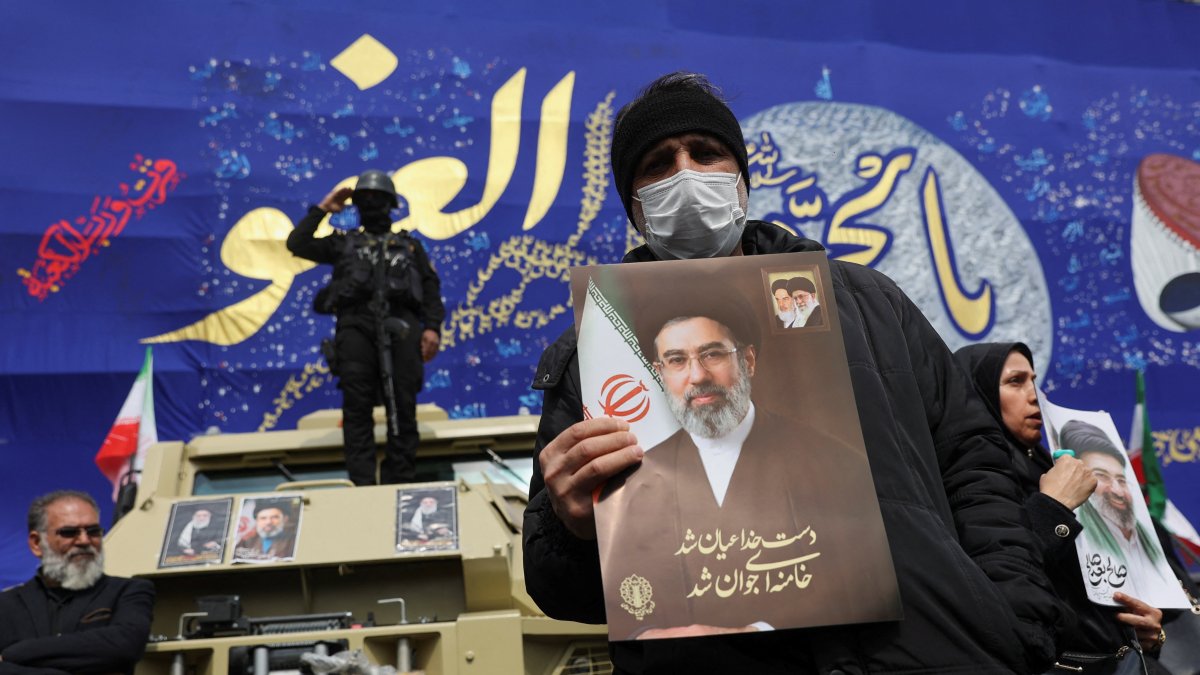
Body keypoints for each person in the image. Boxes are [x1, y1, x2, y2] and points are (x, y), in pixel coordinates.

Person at [523, 71, 1066, 673]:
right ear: (635, 207)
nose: (686, 175)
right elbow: (558, 587)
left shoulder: (868, 304)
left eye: (706, 154)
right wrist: (571, 528)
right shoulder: (595, 358)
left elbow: (971, 458)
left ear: (741, 181)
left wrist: (1012, 614)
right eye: (658, 164)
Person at [595, 304, 894, 640]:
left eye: (712, 354)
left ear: (748, 361)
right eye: (677, 361)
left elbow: (865, 583)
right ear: (660, 372)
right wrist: (642, 634)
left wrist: (760, 631)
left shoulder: (836, 464)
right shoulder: (632, 483)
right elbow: (625, 600)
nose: (697, 376)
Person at [954, 342, 1168, 666]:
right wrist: (1054, 505)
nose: (1033, 394)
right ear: (976, 392)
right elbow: (1001, 577)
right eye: (1015, 382)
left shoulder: (1055, 468)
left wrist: (1147, 629)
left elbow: (1102, 582)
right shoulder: (971, 486)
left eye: (1033, 381)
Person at [287, 170, 445, 486]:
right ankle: (361, 485)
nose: (372, 204)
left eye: (378, 199)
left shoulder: (411, 247)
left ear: (391, 204)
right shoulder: (344, 243)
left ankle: (399, 482)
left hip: (402, 330)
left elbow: (430, 289)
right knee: (356, 409)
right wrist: (324, 209)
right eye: (365, 199)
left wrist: (432, 329)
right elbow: (298, 243)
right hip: (356, 329)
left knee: (403, 408)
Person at [0, 491, 154, 675]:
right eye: (69, 532)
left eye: (93, 531)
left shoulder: (128, 591)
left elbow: (126, 643)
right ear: (36, 543)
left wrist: (14, 654)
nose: (84, 540)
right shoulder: (5, 606)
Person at [1061, 420, 1176, 605]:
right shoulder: (1074, 538)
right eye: (1101, 476)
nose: (1118, 491)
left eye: (1121, 480)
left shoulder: (1151, 533)